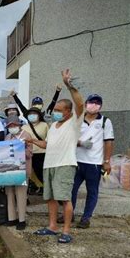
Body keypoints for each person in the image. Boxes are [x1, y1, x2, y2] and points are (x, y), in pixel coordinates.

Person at [30, 69, 85, 244]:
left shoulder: (75, 122)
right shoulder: (53, 126)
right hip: (49, 165)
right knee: (51, 198)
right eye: (55, 110)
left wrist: (70, 86)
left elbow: (80, 105)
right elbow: (48, 144)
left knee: (64, 198)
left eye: (60, 110)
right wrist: (31, 141)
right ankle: (52, 226)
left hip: (65, 165)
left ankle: (66, 230)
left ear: (69, 111)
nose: (56, 112)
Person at [70, 94, 114, 229]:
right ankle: (68, 213)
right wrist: (80, 143)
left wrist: (106, 161)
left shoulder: (105, 121)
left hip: (94, 163)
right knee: (71, 190)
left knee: (92, 191)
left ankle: (86, 218)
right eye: (91, 102)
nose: (93, 105)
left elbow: (109, 142)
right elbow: (70, 138)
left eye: (97, 103)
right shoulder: (78, 119)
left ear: (100, 106)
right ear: (86, 104)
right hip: (76, 161)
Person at [4, 115, 32, 230]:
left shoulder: (26, 135)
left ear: (19, 125)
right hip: (10, 170)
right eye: (10, 126)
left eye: (14, 125)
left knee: (21, 195)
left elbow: (30, 153)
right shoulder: (7, 137)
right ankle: (12, 218)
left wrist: (22, 148)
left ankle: (22, 220)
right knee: (9, 193)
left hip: (22, 171)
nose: (12, 127)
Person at [22, 107, 49, 194]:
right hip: (27, 154)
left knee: (42, 174)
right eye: (30, 114)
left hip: (41, 153)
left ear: (39, 115)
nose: (32, 116)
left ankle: (50, 191)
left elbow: (49, 139)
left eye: (34, 114)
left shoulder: (44, 125)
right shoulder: (23, 127)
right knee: (28, 175)